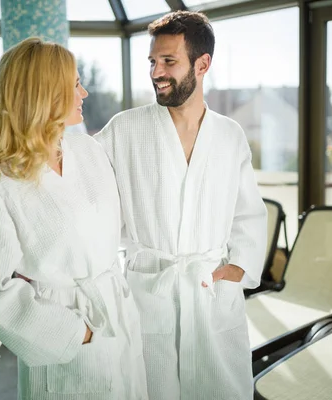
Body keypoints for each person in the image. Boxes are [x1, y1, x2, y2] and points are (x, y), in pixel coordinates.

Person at [95, 11, 267, 400]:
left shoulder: (229, 135)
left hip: (210, 292)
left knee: (219, 388)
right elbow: (84, 188)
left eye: (169, 61)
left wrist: (238, 267)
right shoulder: (125, 129)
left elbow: (249, 212)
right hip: (149, 292)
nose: (157, 72)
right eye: (152, 62)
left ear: (202, 64)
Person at [0, 37, 148, 400]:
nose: (84, 91)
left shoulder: (88, 150)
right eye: (75, 84)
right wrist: (75, 333)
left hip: (115, 310)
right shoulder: (0, 186)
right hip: (64, 329)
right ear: (45, 94)